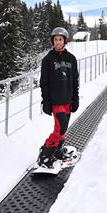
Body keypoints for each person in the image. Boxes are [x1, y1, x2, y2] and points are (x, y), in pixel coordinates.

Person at [38, 27, 79, 168]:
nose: (58, 42)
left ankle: (57, 151)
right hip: (56, 101)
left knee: (62, 128)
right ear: (52, 41)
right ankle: (45, 152)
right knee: (60, 128)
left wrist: (76, 99)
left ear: (65, 41)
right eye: (55, 39)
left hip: (68, 99)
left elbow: (75, 81)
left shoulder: (71, 59)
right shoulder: (47, 60)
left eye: (60, 39)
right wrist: (46, 101)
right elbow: (44, 83)